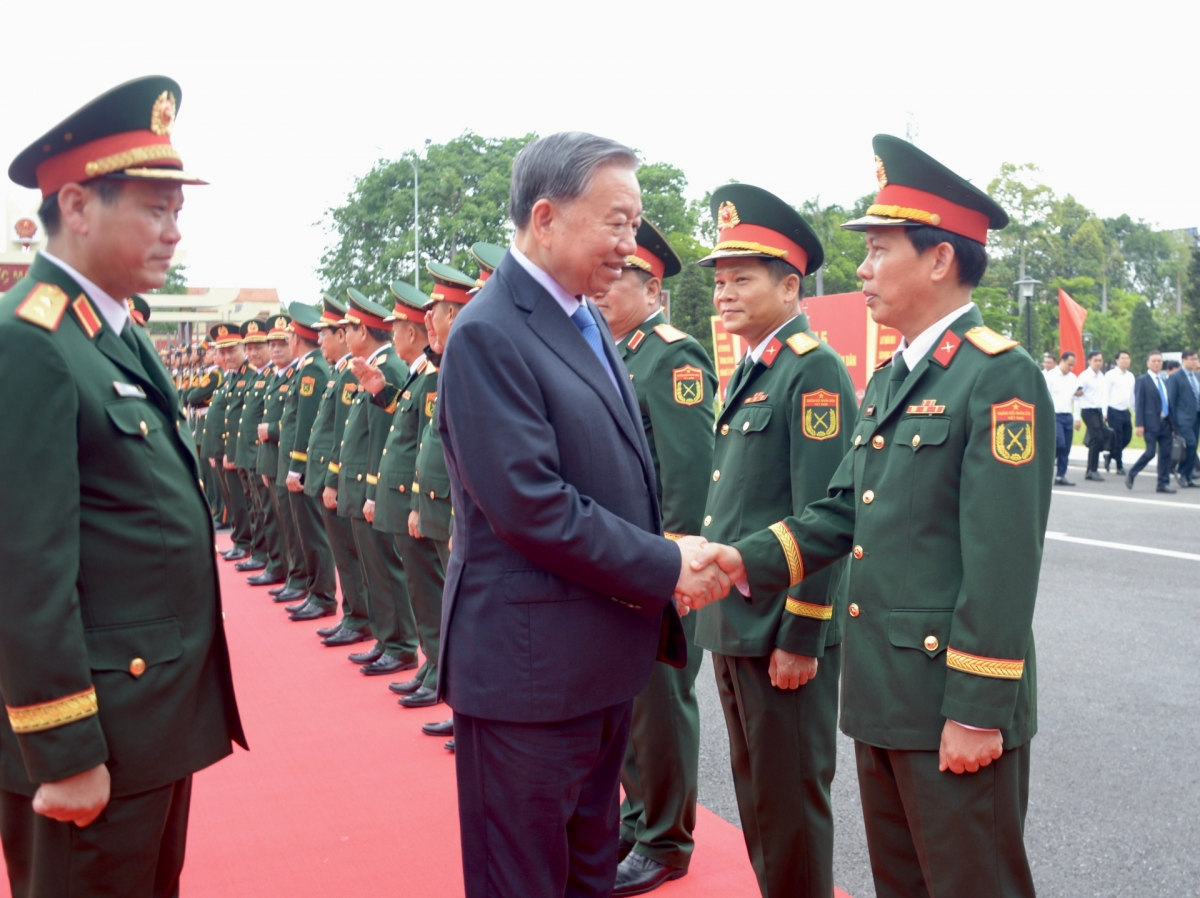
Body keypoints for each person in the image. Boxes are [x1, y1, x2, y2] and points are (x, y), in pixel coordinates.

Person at [696, 134, 1052, 898]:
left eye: (879, 249)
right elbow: (836, 513)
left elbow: (1002, 565)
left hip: (948, 705)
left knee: (971, 882)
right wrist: (735, 561)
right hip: (885, 696)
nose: (860, 269)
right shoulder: (896, 376)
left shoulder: (997, 378)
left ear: (939, 258)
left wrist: (979, 711)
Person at [435, 132, 730, 898]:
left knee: (587, 875)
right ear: (545, 218)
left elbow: (620, 479)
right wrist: (667, 564)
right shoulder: (488, 333)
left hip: (597, 667)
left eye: (635, 224)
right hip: (527, 679)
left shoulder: (586, 319)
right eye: (617, 222)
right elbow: (530, 507)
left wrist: (669, 550)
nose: (629, 244)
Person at [0, 74, 245, 896]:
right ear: (75, 207)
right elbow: (23, 567)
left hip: (147, 720)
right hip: (94, 731)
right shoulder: (29, 343)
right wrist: (65, 752)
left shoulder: (116, 333)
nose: (173, 232)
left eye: (178, 212)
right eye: (153, 208)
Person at [693, 185, 857, 898]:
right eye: (720, 280)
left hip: (780, 632)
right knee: (759, 799)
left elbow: (825, 516)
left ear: (791, 286)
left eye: (742, 279)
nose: (725, 293)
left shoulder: (810, 369)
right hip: (736, 623)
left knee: (789, 804)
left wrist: (805, 632)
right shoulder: (755, 367)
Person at [593, 220, 715, 895]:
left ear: (654, 288)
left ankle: (667, 838)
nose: (605, 290)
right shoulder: (614, 354)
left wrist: (671, 564)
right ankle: (638, 820)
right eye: (603, 277)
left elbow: (689, 475)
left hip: (660, 565)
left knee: (663, 700)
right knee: (633, 699)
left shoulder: (672, 358)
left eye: (621, 280)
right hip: (622, 562)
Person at [352, 278, 445, 707]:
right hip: (413, 500)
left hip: (421, 502)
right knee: (419, 589)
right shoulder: (418, 374)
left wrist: (414, 503)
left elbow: (430, 444)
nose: (392, 336)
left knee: (430, 591)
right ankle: (431, 664)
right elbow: (409, 430)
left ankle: (440, 670)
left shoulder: (430, 376)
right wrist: (380, 392)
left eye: (395, 329)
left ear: (410, 332)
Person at [337, 288, 421, 676]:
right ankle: (388, 639)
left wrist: (372, 491)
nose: (341, 336)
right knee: (375, 568)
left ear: (363, 331)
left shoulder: (391, 365)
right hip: (367, 486)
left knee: (387, 568)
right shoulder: (372, 366)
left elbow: (383, 438)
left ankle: (401, 643)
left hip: (380, 488)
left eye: (347, 328)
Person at [279, 302, 339, 621]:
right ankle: (315, 591)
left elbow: (305, 422)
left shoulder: (313, 369)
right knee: (304, 530)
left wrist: (296, 466)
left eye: (289, 335)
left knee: (313, 533)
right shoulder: (307, 366)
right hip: (300, 463)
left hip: (304, 465)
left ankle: (322, 594)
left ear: (296, 338)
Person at [258, 316, 309, 602]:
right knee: (283, 524)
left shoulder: (298, 376)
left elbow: (298, 423)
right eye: (272, 345)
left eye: (282, 343)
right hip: (276, 460)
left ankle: (299, 578)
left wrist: (273, 432)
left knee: (295, 526)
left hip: (290, 458)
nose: (276, 350)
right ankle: (292, 575)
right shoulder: (273, 378)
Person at [238, 319, 286, 586]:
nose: (254, 353)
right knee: (258, 509)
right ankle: (264, 556)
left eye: (259, 347)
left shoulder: (272, 376)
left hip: (269, 455)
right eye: (251, 349)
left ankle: (275, 561)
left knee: (270, 513)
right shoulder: (260, 377)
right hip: (254, 455)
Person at [205, 324, 254, 558]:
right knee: (232, 499)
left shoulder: (251, 375)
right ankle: (239, 538)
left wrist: (231, 452)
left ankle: (245, 542)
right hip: (222, 450)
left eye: (232, 350)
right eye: (223, 352)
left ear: (243, 348)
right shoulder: (228, 378)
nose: (227, 356)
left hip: (236, 452)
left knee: (242, 500)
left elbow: (242, 420)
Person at [1126, 351, 1175, 493]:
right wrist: (1139, 424)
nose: (1157, 363)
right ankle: (1132, 473)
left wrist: (1173, 425)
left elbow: (1168, 403)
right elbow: (1139, 403)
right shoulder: (1142, 380)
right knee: (1150, 452)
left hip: (1165, 423)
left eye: (1159, 361)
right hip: (1150, 423)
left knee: (1166, 454)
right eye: (1154, 361)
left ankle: (1163, 483)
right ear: (1148, 363)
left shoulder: (1164, 380)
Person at [1166, 350, 1200, 487]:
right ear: (1184, 360)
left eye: (1196, 359)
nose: (1195, 361)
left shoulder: (1197, 377)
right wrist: (1172, 423)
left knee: (1194, 446)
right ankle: (1181, 471)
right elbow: (1171, 401)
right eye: (1192, 359)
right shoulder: (1176, 377)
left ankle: (1188, 477)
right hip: (1182, 418)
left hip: (1196, 417)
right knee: (1190, 444)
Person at [1046, 352, 1081, 486]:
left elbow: (1076, 398)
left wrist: (1077, 418)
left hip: (1068, 415)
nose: (1071, 367)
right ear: (1062, 361)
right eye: (1069, 364)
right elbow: (1045, 396)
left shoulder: (1073, 378)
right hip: (1055, 415)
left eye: (1073, 365)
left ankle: (1061, 475)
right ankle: (1047, 467)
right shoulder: (1051, 376)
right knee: (1059, 444)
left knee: (1066, 447)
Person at [1077, 350, 1107, 481]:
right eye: (1096, 360)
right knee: (1097, 439)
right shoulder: (1084, 376)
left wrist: (1104, 413)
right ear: (1089, 361)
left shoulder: (1101, 376)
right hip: (1088, 410)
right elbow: (1077, 396)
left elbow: (1103, 396)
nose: (1098, 363)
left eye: (1100, 360)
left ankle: (1090, 469)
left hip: (1098, 411)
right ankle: (1092, 470)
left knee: (1097, 440)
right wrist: (1076, 418)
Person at [1104, 350, 1135, 473]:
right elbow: (1105, 394)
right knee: (1118, 439)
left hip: (1125, 410)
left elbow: (1132, 396)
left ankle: (1110, 456)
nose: (1126, 360)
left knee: (1127, 437)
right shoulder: (1110, 375)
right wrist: (1104, 412)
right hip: (1113, 410)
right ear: (1117, 360)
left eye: (1128, 358)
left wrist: (1135, 411)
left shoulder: (1131, 376)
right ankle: (1119, 466)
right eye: (1123, 358)